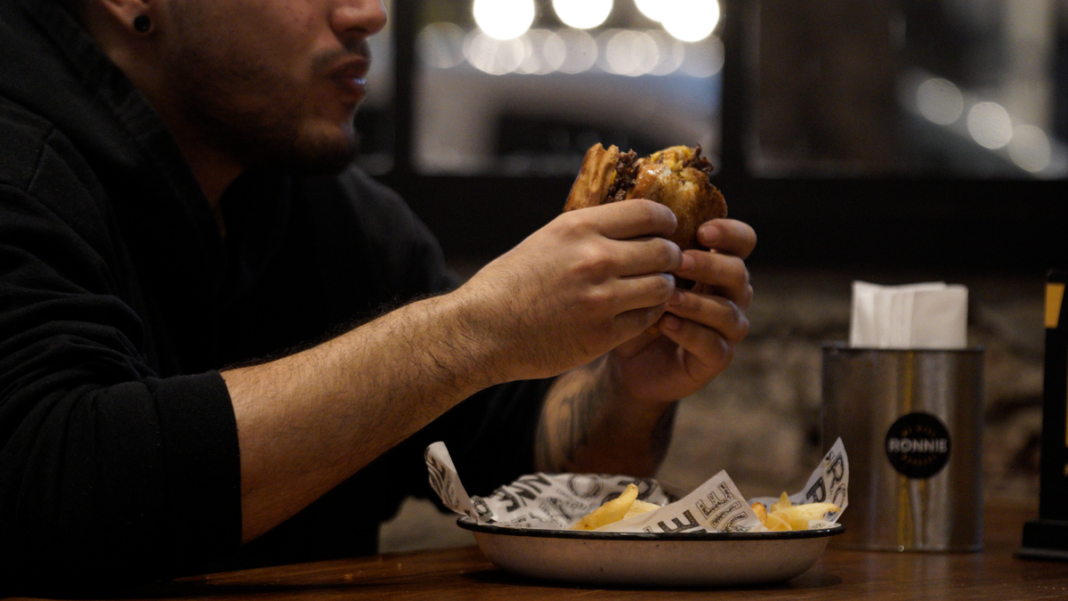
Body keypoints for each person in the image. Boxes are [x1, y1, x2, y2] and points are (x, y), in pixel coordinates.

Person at [0, 0, 756, 591]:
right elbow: (51, 486)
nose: (367, 14)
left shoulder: (323, 209)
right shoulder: (19, 164)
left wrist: (626, 387)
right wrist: (472, 333)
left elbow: (530, 469)